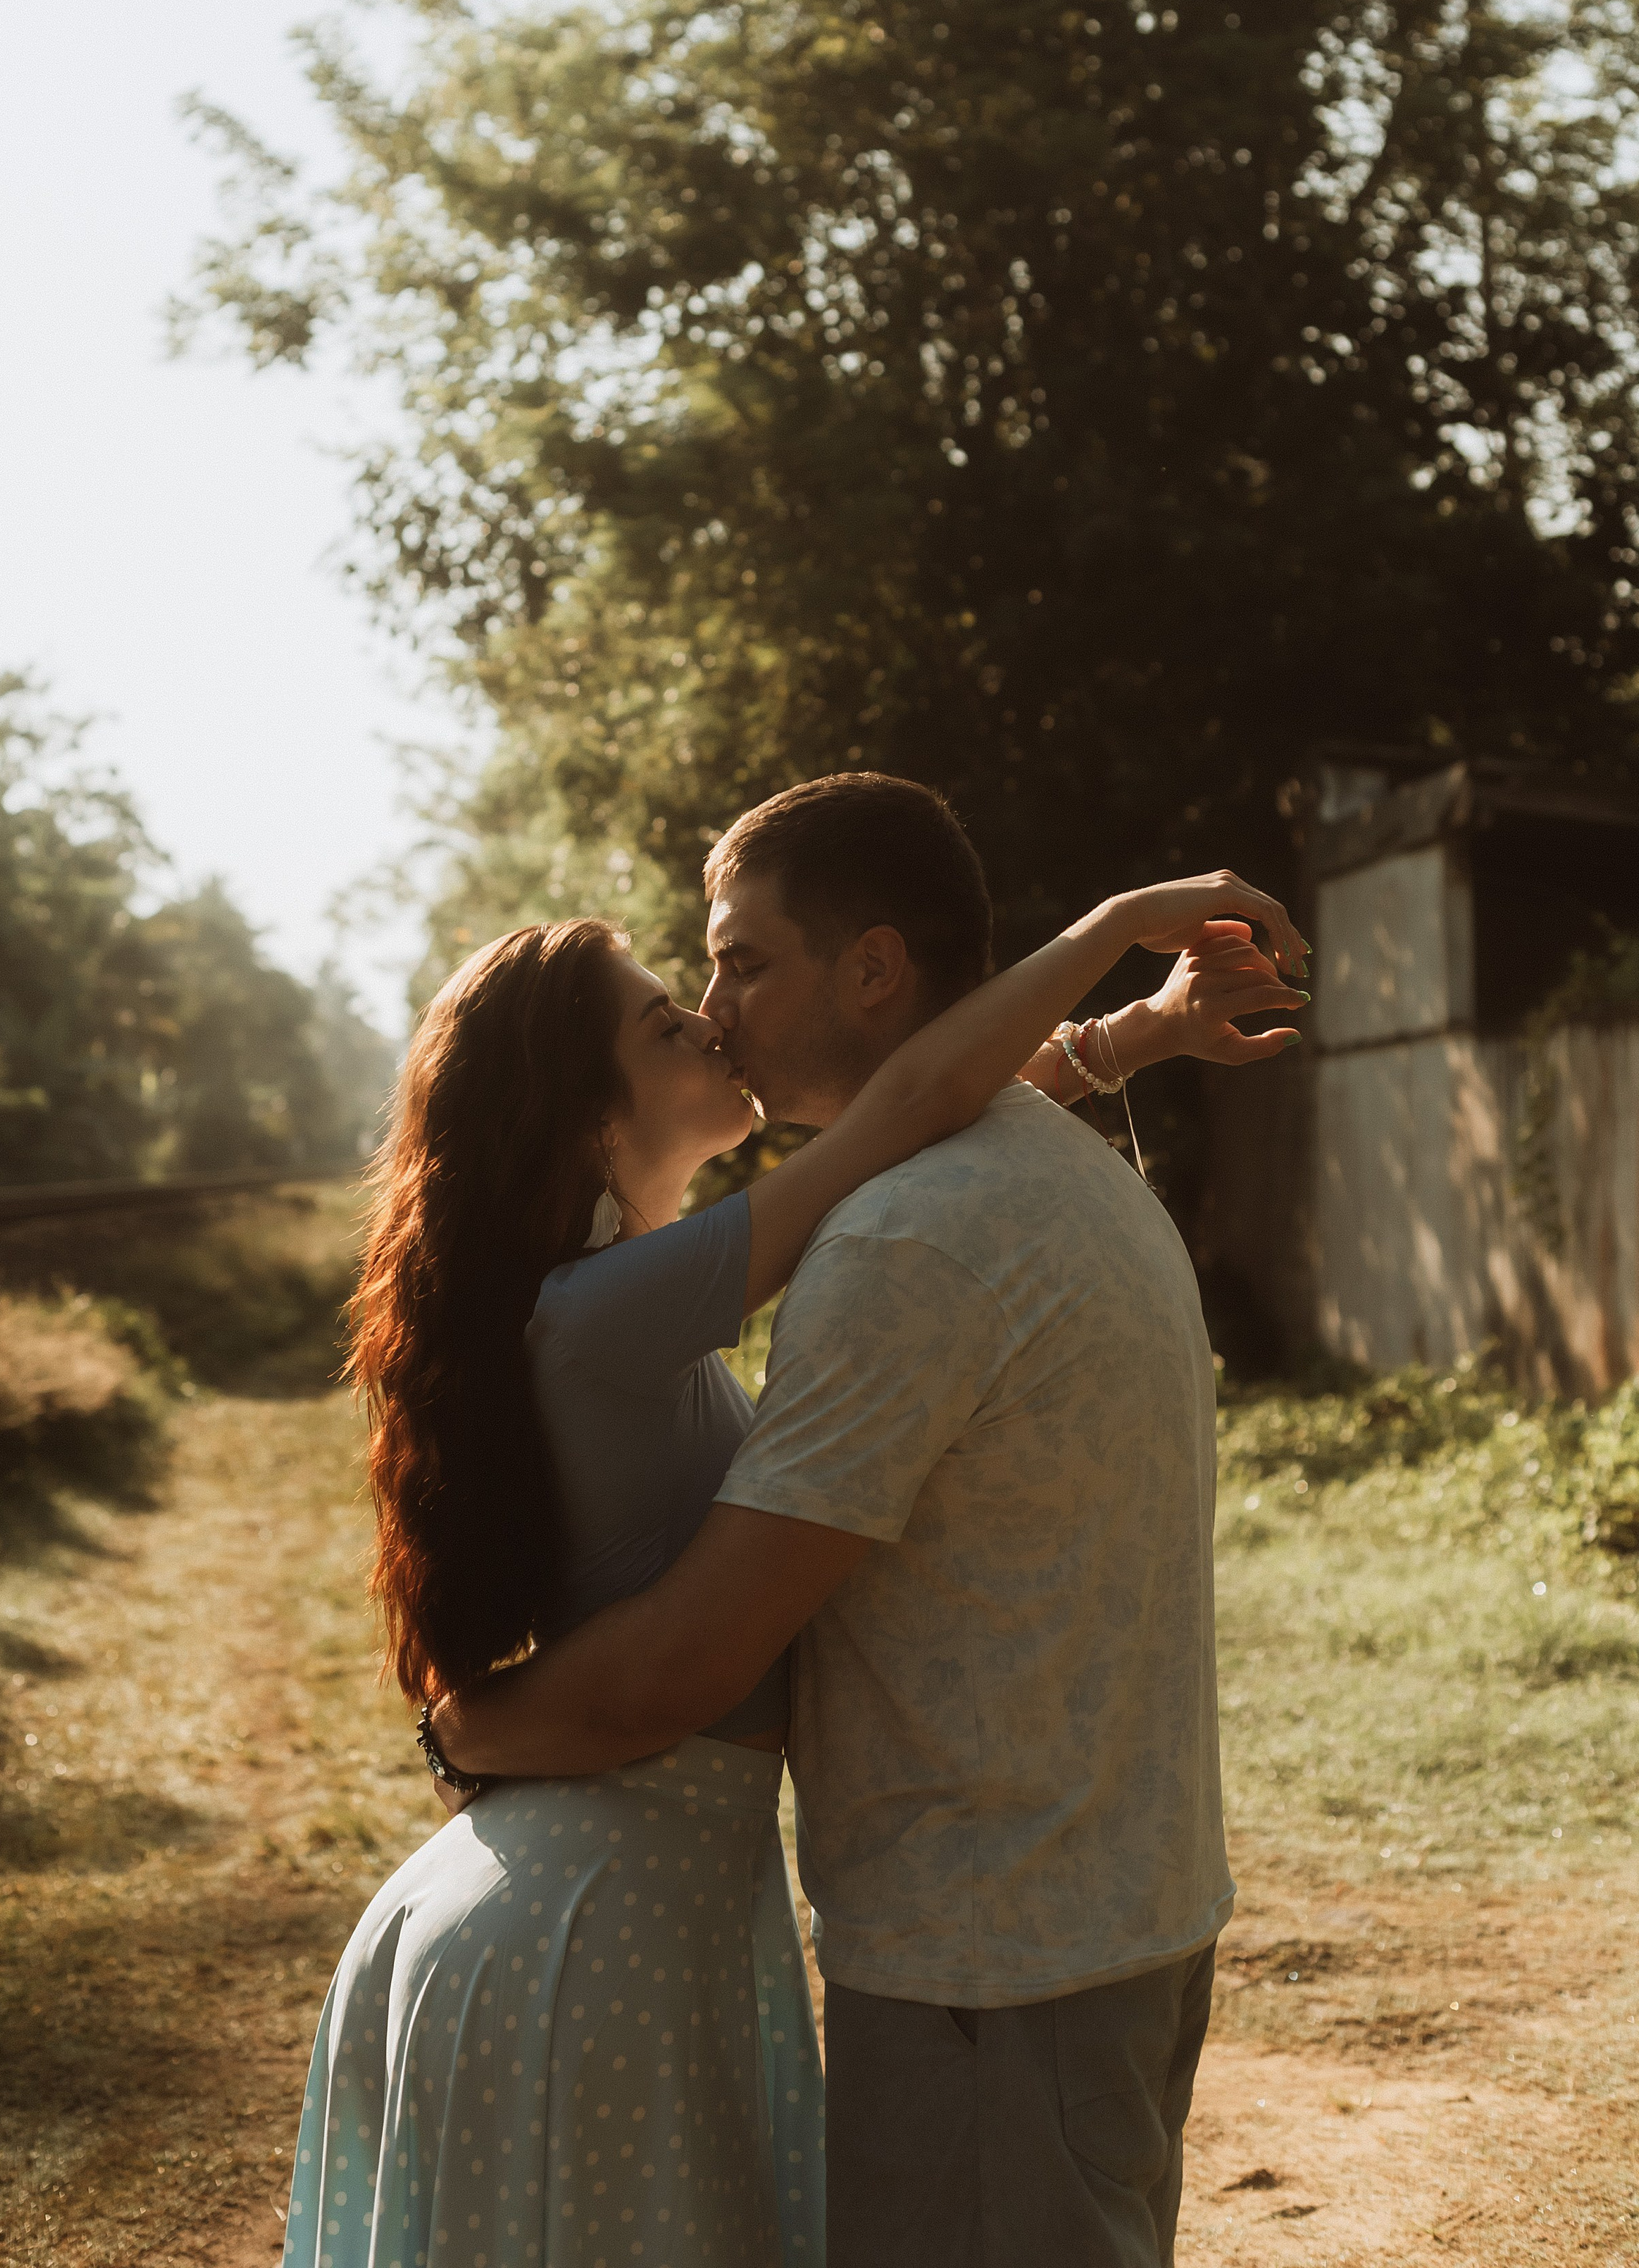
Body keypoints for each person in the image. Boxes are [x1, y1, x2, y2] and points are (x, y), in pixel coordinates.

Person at [281, 781, 1306, 2268]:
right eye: (666, 1013)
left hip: (673, 1911)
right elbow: (906, 1121)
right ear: (586, 1118)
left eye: (730, 965)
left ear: (871, 965)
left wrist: (1123, 1032)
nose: (707, 1015)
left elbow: (922, 1128)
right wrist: (1110, 942)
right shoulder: (630, 1307)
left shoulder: (725, 1272)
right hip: (606, 1912)